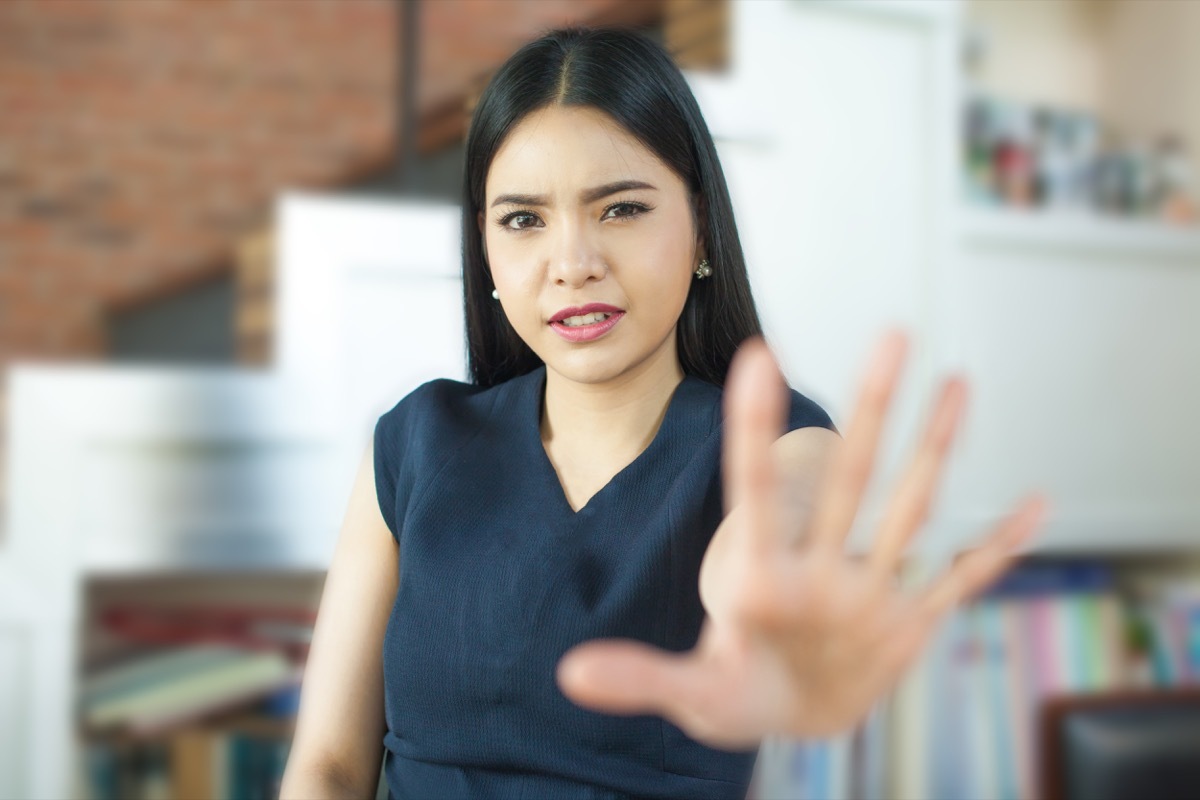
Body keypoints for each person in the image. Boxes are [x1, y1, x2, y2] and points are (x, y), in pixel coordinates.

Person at [279, 27, 1046, 800]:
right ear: (484, 249)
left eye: (620, 210)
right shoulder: (415, 442)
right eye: (522, 220)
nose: (572, 263)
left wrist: (758, 597)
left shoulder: (774, 437)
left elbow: (781, 520)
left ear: (701, 226)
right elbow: (330, 767)